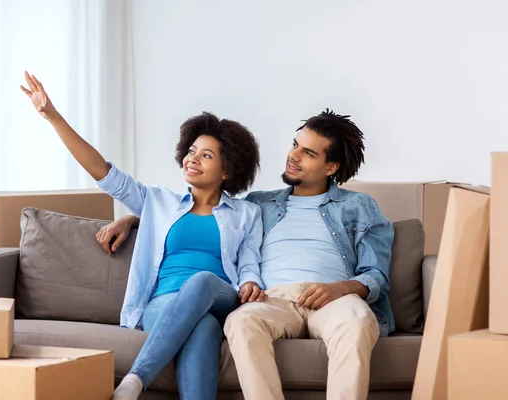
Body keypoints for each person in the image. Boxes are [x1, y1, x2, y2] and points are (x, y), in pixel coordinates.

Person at [101, 109, 395, 400]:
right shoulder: (258, 205)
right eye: (295, 145)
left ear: (331, 167)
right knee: (240, 323)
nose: (293, 155)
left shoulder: (359, 206)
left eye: (308, 153)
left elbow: (376, 274)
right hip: (274, 299)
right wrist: (134, 218)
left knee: (357, 320)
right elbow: (207, 211)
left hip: (334, 298)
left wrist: (340, 288)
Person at [20, 71, 268, 400]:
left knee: (203, 281)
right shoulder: (158, 202)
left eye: (206, 155)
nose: (193, 158)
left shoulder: (248, 214)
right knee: (204, 327)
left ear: (227, 170)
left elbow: (249, 262)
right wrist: (52, 116)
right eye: (192, 151)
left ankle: (135, 380)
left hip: (219, 295)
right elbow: (103, 172)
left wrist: (251, 281)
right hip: (161, 306)